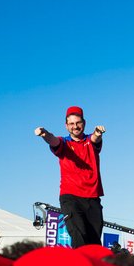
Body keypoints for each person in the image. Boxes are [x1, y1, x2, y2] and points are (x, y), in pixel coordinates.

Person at [35, 106, 106, 247]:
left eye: (78, 123)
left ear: (84, 123)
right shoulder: (64, 143)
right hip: (71, 197)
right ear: (66, 126)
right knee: (78, 235)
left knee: (94, 242)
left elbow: (95, 139)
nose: (75, 127)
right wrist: (45, 134)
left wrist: (98, 133)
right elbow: (53, 140)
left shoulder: (89, 142)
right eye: (72, 124)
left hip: (92, 197)